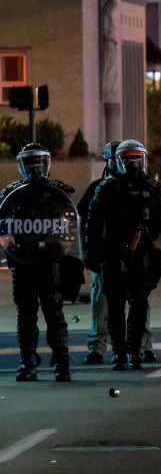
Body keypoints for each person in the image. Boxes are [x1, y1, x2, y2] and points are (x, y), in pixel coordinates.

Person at [84, 139, 161, 371]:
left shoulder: (153, 189)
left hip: (142, 253)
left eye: (137, 158)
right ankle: (118, 353)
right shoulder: (105, 188)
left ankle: (134, 352)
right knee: (114, 306)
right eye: (127, 159)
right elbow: (91, 223)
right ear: (117, 161)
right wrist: (91, 252)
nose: (133, 164)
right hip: (113, 253)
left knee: (138, 304)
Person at [2, 144, 75, 382]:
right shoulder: (11, 193)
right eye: (30, 164)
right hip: (23, 262)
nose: (35, 169)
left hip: (50, 262)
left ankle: (62, 363)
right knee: (26, 315)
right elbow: (3, 225)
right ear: (22, 166)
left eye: (39, 163)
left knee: (54, 313)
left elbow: (69, 224)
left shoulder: (57, 192)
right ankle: (28, 363)